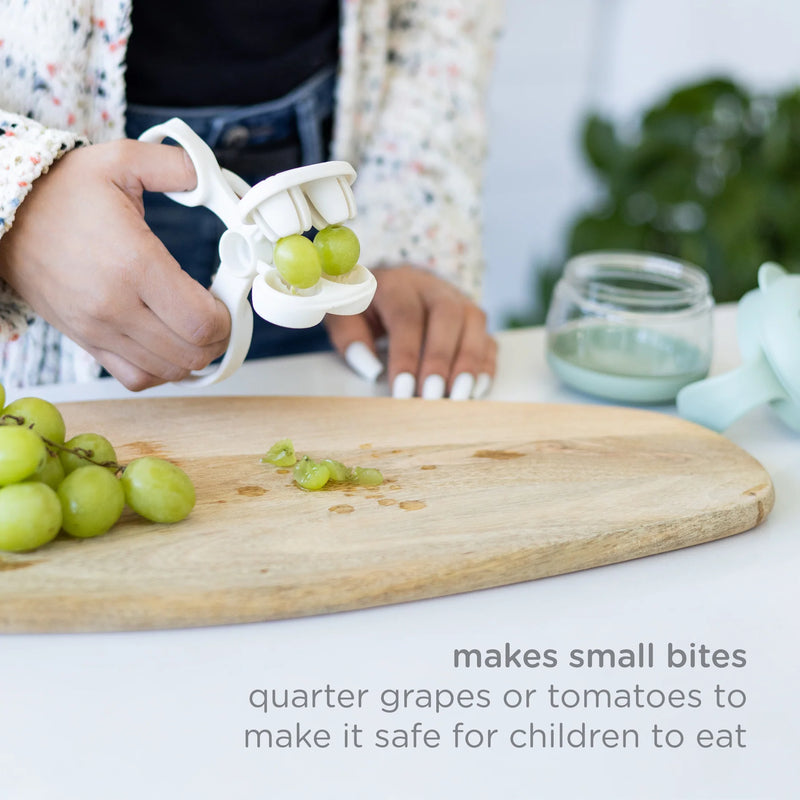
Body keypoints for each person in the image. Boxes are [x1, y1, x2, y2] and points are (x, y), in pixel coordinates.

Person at [0, 0, 503, 399]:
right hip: (66, 209)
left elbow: (439, 16)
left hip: (336, 176)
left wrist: (410, 214)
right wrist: (20, 191)